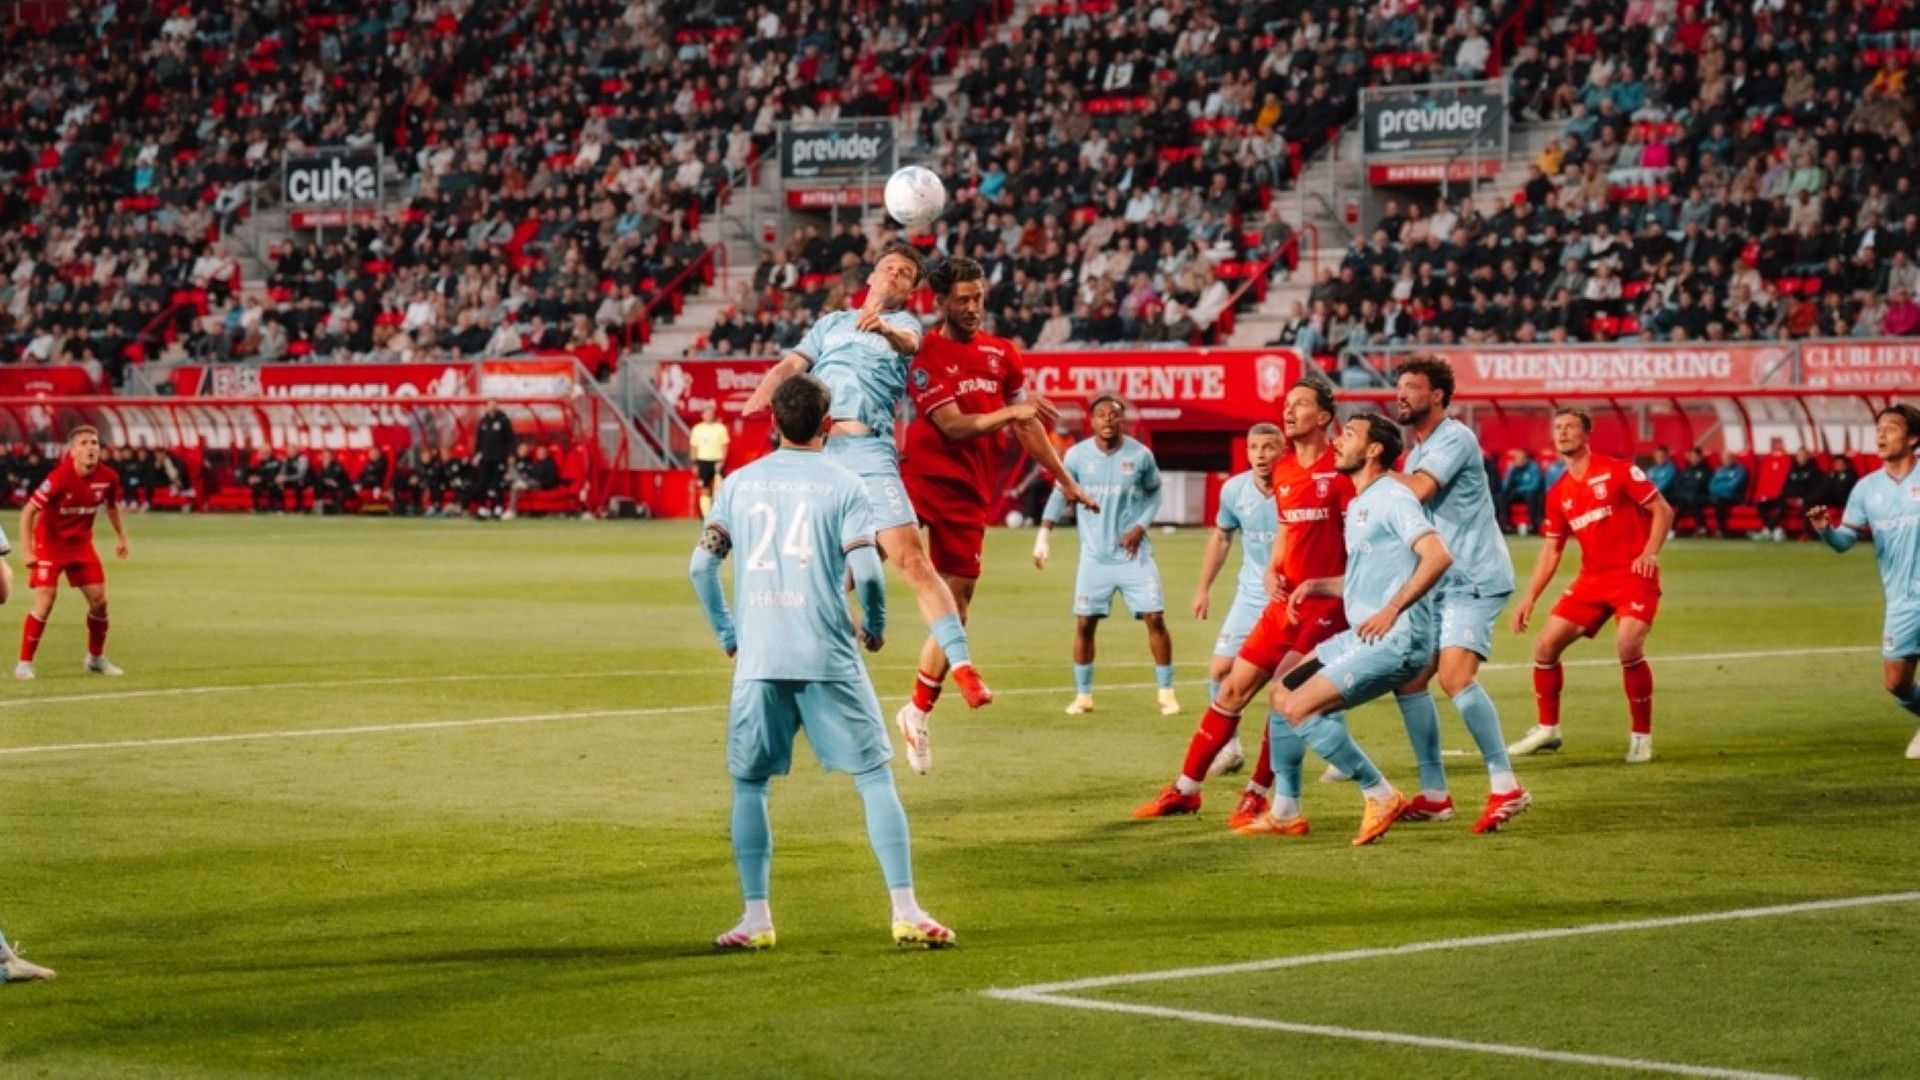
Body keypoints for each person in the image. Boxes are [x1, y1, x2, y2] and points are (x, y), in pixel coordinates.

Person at [687, 373, 952, 950]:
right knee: (874, 779)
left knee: (750, 785)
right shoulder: (845, 484)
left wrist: (730, 634)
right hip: (829, 653)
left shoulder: (738, 484)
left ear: (774, 423)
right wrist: (875, 627)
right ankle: (905, 909)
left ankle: (756, 919)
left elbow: (701, 568)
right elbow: (873, 572)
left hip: (760, 657)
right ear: (827, 426)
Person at [743, 242, 992, 710]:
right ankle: (801, 667)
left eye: (906, 273)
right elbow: (791, 365)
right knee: (819, 576)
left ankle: (961, 665)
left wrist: (884, 328)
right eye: (890, 267)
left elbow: (910, 345)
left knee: (913, 561)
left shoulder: (903, 326)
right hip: (820, 456)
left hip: (870, 455)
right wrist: (759, 399)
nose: (896, 274)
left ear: (912, 291)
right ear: (872, 276)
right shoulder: (830, 325)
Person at [891, 256, 1092, 773]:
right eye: (964, 298)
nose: (975, 307)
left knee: (956, 610)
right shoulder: (924, 350)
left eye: (979, 296)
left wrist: (1065, 481)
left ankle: (916, 712)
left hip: (970, 493)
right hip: (918, 480)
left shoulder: (1004, 354)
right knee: (875, 553)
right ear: (940, 301)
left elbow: (1028, 428)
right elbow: (955, 427)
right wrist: (1012, 411)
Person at [1134, 382, 1353, 829]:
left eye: (1300, 405)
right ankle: (1186, 789)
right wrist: (1273, 571)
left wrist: (1331, 587)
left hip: (1326, 608)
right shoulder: (1287, 473)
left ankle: (1256, 795)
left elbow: (1364, 548)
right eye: (1286, 404)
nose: (1289, 412)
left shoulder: (1344, 471)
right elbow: (1287, 538)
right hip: (1280, 606)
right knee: (1230, 689)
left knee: (1283, 694)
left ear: (1325, 417)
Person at [1245, 412, 1446, 844]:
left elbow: (1437, 556)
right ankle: (1286, 810)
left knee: (1300, 707)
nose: (1337, 441)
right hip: (1361, 634)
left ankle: (1380, 794)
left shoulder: (1393, 497)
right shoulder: (1359, 503)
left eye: (1349, 435)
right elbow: (1370, 576)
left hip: (1395, 638)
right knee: (1281, 692)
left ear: (1374, 450)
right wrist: (1320, 584)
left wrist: (1392, 609)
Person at [1377, 356, 1529, 832]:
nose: (1400, 394)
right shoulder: (1417, 448)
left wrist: (1370, 465)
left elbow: (1417, 492)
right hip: (1438, 581)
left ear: (1438, 395)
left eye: (1411, 387)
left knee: (1455, 677)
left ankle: (1506, 786)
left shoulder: (1455, 438)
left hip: (1473, 578)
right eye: (1398, 386)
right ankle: (1436, 795)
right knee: (1409, 681)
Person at [1509, 408, 1675, 763]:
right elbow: (1552, 549)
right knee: (1545, 647)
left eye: (1570, 426)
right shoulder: (1559, 493)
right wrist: (1530, 598)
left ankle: (1641, 736)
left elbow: (1663, 510)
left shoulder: (1617, 470)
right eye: (1557, 427)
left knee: (1628, 644)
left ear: (1587, 434)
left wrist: (1649, 552)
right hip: (1592, 580)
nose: (1563, 432)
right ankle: (1548, 729)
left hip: (1633, 574)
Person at [1033, 395, 1177, 716]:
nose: (1108, 420)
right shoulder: (1076, 456)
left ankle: (1166, 693)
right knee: (1085, 623)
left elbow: (1155, 493)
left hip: (1133, 556)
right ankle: (1083, 696)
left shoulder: (1141, 456)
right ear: (1092, 421)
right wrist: (1044, 535)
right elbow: (1061, 493)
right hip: (1094, 558)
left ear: (1123, 420)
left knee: (1155, 617)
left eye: (1114, 415)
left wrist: (1141, 525)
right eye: (1101, 414)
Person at [1808, 404, 1920, 759]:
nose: (1882, 434)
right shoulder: (1866, 489)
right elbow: (1844, 543)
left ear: (1914, 438)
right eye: (1879, 428)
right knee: (1896, 683)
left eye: (1892, 427)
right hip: (1901, 601)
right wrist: (1826, 531)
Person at [1186, 423, 1285, 769]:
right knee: (1219, 670)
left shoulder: (1296, 487)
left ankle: (1335, 752)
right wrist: (1203, 589)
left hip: (1291, 598)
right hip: (1250, 596)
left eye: (1269, 447)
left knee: (1299, 681)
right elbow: (1222, 537)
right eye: (1254, 447)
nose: (1260, 455)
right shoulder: (1233, 490)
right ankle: (1229, 750)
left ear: (1283, 450)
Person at [18, 426, 129, 680]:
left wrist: (121, 536)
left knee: (100, 602)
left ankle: (95, 658)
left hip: (80, 544)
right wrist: (27, 551)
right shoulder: (59, 478)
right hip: (50, 543)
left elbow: (111, 506)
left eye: (95, 442)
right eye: (84, 443)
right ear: (73, 451)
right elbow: (27, 512)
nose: (91, 448)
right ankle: (24, 663)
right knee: (45, 600)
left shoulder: (108, 477)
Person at [689, 406, 731, 518]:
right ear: (702, 415)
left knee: (719, 489)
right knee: (705, 489)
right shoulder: (697, 429)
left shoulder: (721, 428)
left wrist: (722, 461)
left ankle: (719, 515)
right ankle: (707, 516)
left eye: (711, 413)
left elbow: (725, 446)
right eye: (706, 413)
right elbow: (694, 447)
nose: (709, 416)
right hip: (702, 462)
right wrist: (694, 464)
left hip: (717, 462)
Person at [1498, 447, 1545, 535]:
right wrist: (1510, 472)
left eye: (1521, 458)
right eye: (1516, 459)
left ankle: (1532, 525)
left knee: (1532, 495)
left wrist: (1519, 489)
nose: (1518, 461)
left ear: (1526, 459)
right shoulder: (1513, 468)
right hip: (1517, 493)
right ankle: (1506, 525)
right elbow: (1505, 487)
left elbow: (1535, 485)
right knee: (1503, 496)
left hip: (1529, 493)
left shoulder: (1533, 467)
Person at [1671, 447, 1712, 536]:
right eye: (1691, 456)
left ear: (1700, 457)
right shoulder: (1685, 470)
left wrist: (1688, 489)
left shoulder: (1706, 471)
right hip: (1684, 497)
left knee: (1690, 500)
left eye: (1695, 456)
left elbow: (1700, 486)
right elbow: (1678, 485)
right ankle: (1701, 527)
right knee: (1686, 500)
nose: (1693, 458)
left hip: (1701, 496)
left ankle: (1671, 528)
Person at [1708, 454, 1749, 537]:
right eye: (1723, 459)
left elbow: (1733, 486)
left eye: (1727, 458)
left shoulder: (1739, 470)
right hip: (1717, 496)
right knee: (1695, 500)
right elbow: (1711, 486)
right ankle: (1702, 528)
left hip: (1734, 497)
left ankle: (1721, 529)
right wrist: (1722, 487)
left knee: (1719, 501)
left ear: (1733, 458)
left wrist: (1719, 487)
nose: (1725, 461)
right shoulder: (1719, 470)